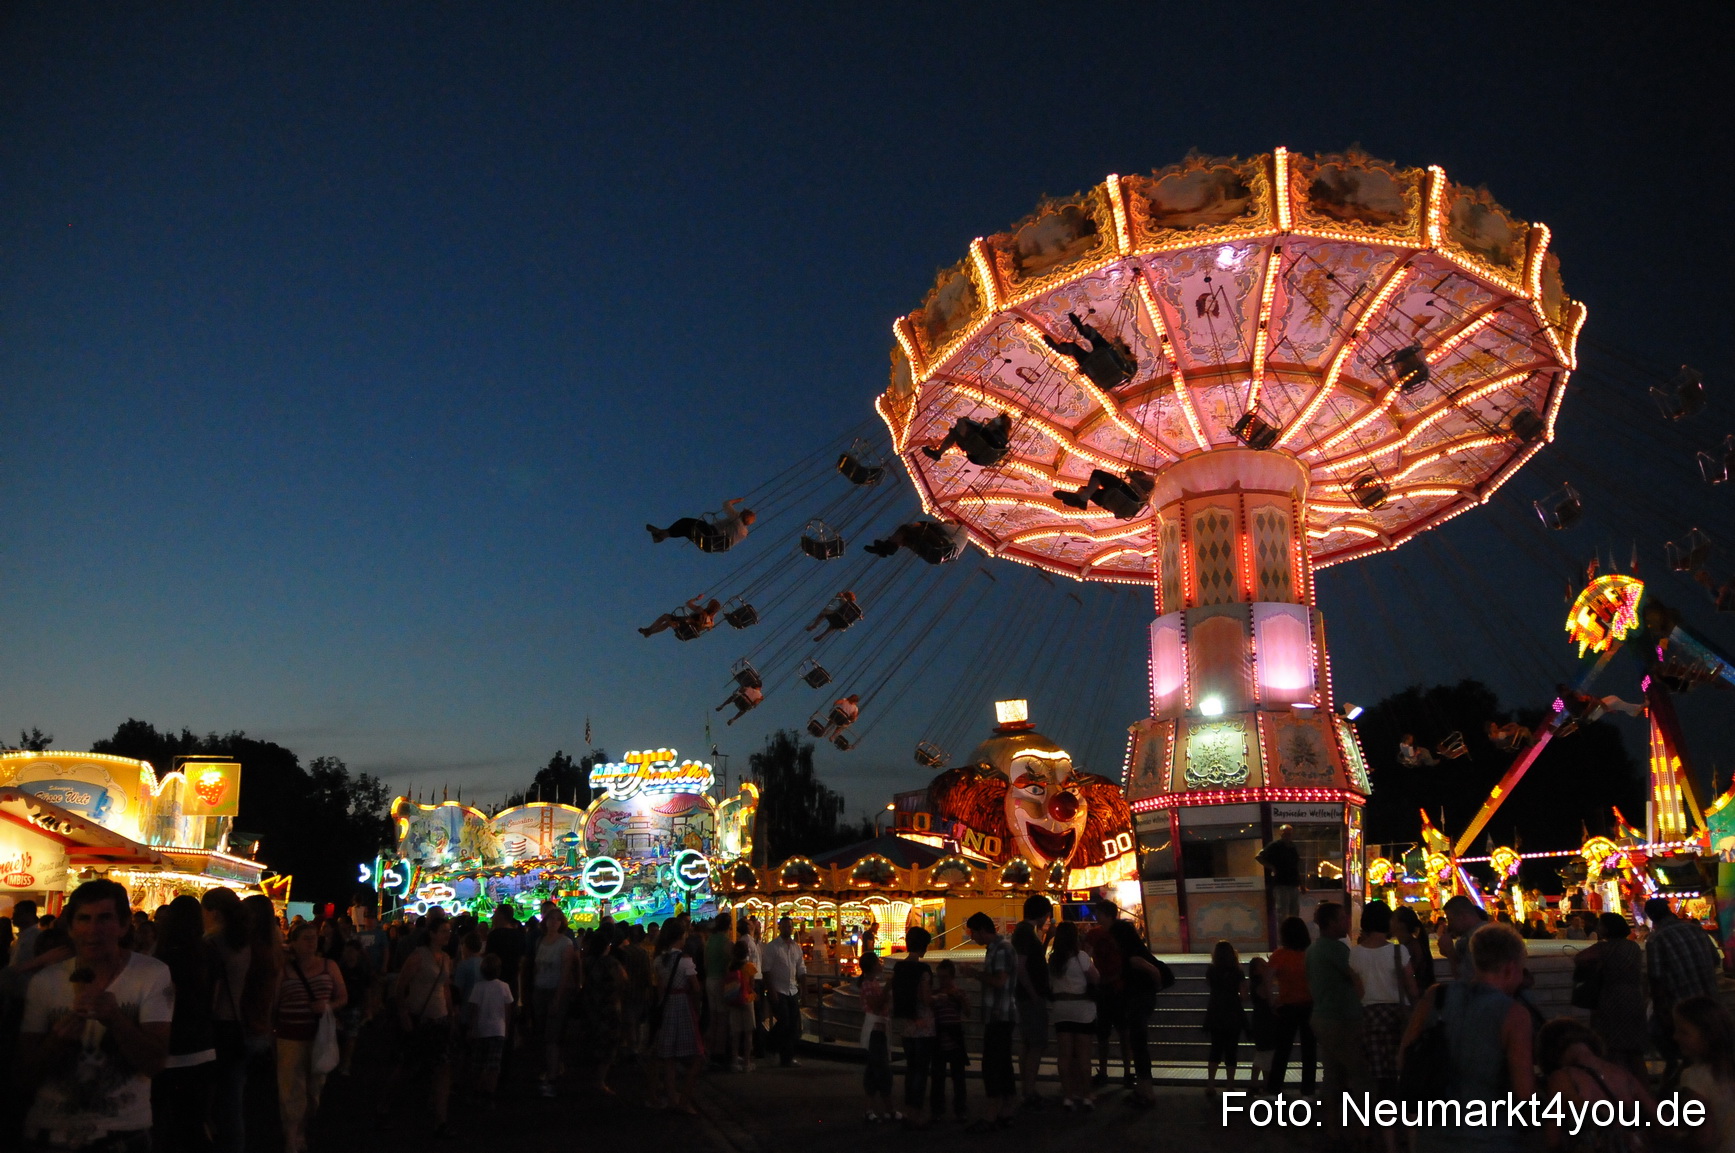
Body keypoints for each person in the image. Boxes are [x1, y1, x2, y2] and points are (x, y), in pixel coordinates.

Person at [17, 880, 172, 1152]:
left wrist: (115, 1019)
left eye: (105, 918)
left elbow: (155, 1063)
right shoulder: (46, 982)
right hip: (50, 1130)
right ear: (71, 927)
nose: (93, 930)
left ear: (124, 926)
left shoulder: (151, 974)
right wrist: (56, 1040)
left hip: (123, 1133)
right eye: (84, 919)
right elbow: (24, 1073)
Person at [1406, 923, 1536, 1153]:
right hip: (1491, 1135)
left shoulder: (1435, 997)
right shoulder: (1514, 1014)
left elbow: (1406, 1055)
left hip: (1434, 1132)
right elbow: (1523, 1090)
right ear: (1510, 968)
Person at [275, 921, 348, 1153]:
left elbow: (343, 997)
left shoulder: (329, 966)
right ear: (293, 943)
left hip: (319, 1037)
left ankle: (301, 1129)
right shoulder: (284, 971)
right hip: (289, 1037)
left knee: (314, 1089)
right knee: (291, 1089)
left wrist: (327, 1006)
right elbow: (274, 1005)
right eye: (305, 938)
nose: (311, 942)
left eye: (313, 937)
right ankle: (292, 1137)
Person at [151, 895, 215, 1153]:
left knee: (162, 1122)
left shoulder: (163, 959)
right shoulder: (209, 953)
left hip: (170, 1046)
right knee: (192, 1123)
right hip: (203, 1044)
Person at [1536, 1016, 1656, 1152]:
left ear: (1548, 1052)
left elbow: (1553, 1139)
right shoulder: (1623, 1074)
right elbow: (1662, 1120)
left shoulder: (1561, 1078)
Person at [1646, 896, 1722, 1081]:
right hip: (1709, 1000)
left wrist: (1661, 1010)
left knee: (1658, 1033)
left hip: (1682, 1004)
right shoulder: (1696, 930)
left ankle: (1676, 1069)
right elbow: (1715, 960)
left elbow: (1657, 979)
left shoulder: (1656, 939)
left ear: (1652, 917)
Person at [1348, 901, 1417, 1099]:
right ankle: (1404, 1118)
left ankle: (1383, 1120)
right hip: (1398, 1015)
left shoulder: (1354, 954)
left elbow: (1358, 991)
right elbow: (1411, 988)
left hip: (1370, 1016)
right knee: (1401, 1067)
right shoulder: (1398, 951)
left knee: (1379, 1074)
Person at [1306, 902, 1371, 1103]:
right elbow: (1357, 976)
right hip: (1342, 1018)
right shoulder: (1337, 950)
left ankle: (1333, 1126)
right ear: (1331, 923)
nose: (1347, 921)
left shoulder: (1313, 949)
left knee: (1333, 1074)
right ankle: (1362, 1126)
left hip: (1322, 1015)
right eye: (1342, 918)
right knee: (1360, 1073)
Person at [394, 917, 453, 1132]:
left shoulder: (446, 958)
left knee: (443, 1067)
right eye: (444, 931)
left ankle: (441, 1119)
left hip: (440, 1019)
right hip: (419, 1017)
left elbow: (445, 988)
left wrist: (450, 1015)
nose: (447, 935)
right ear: (432, 934)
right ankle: (389, 1105)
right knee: (409, 1065)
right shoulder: (418, 956)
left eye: (449, 931)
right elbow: (400, 986)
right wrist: (403, 1014)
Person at [1572, 911, 1648, 1078]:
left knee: (1612, 1047)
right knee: (1635, 1051)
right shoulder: (1633, 947)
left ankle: (1618, 1088)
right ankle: (1643, 1091)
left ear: (1607, 928)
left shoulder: (1603, 947)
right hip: (1634, 998)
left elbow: (1579, 958)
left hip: (1612, 998)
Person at [964, 911, 1017, 1130]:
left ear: (981, 930)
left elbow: (999, 980)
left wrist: (974, 974)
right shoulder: (996, 948)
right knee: (1001, 1062)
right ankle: (1006, 1108)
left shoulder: (1001, 949)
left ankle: (993, 1111)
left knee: (992, 1064)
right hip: (999, 1013)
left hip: (1000, 1013)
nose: (972, 937)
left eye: (973, 933)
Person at [652, 927, 705, 1115]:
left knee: (668, 1058)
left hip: (666, 1007)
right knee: (697, 1055)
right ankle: (683, 1100)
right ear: (679, 938)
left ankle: (671, 1097)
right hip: (683, 1005)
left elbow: (659, 989)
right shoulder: (685, 961)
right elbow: (696, 988)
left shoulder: (659, 960)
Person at [1047, 920, 1098, 1111]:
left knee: (1065, 1055)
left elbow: (1050, 983)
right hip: (1082, 1008)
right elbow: (1095, 978)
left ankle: (1068, 1095)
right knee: (1084, 1055)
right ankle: (1086, 1095)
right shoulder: (1082, 957)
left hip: (1061, 1009)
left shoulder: (1053, 960)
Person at [1673, 995, 1735, 1152]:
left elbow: (1703, 1136)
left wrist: (1677, 1139)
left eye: (1684, 1032)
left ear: (1708, 1035)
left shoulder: (1695, 1078)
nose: (1676, 1037)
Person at [891, 926, 936, 1128]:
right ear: (924, 946)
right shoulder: (922, 970)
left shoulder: (899, 968)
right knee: (920, 1071)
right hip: (923, 1025)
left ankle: (909, 1110)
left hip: (906, 1025)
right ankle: (916, 1113)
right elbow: (926, 999)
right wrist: (940, 998)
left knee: (911, 1070)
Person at [1011, 894, 1053, 1109]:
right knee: (1035, 1043)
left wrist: (1046, 940)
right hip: (1030, 996)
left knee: (1028, 1043)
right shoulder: (1025, 933)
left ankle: (1027, 1089)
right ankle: (1029, 1090)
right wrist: (1033, 992)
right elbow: (1021, 965)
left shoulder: (1025, 932)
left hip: (1026, 994)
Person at [1268, 915, 1316, 1095]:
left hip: (1287, 1006)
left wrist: (1273, 1001)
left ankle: (1274, 1089)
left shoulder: (1279, 955)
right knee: (1309, 1051)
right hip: (1309, 1005)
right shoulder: (1310, 953)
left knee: (1282, 1051)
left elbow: (1268, 979)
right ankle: (1308, 1091)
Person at [1083, 899, 1126, 1090]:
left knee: (1114, 1033)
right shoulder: (1097, 933)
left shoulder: (1098, 934)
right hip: (1112, 986)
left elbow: (1087, 954)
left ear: (1106, 914)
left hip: (1113, 986)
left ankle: (1112, 1071)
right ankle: (1116, 1071)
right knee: (1108, 1033)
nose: (1096, 917)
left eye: (1099, 913)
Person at [462, 953, 511, 1108]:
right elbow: (508, 1008)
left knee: (478, 1063)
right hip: (498, 1029)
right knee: (493, 1065)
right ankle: (489, 1095)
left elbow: (474, 1009)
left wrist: (472, 1028)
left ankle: (476, 1092)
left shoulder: (478, 987)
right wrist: (507, 1027)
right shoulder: (504, 986)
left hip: (481, 1030)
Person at [579, 930, 626, 1095]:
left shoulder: (587, 961)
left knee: (593, 1038)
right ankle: (600, 1080)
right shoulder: (611, 963)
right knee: (608, 1043)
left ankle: (590, 1076)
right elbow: (623, 980)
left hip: (591, 1004)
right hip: (609, 1006)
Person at [1042, 311, 1137, 390]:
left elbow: (1127, 358)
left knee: (1096, 338)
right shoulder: (1116, 381)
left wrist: (1119, 345)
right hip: (1090, 365)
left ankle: (1083, 330)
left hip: (1106, 356)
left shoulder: (1128, 368)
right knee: (1075, 350)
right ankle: (1062, 349)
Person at [761, 915, 807, 1068]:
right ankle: (770, 1045)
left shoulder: (796, 947)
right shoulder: (773, 947)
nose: (788, 929)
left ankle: (786, 1057)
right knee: (784, 1022)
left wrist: (804, 988)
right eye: (785, 926)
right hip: (778, 989)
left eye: (790, 926)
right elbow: (766, 970)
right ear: (780, 927)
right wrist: (771, 990)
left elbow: (801, 968)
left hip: (792, 989)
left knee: (793, 1024)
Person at [858, 951, 896, 1123]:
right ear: (873, 965)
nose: (881, 964)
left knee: (873, 1072)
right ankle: (889, 1110)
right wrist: (888, 988)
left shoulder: (871, 982)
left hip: (878, 1028)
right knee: (882, 1072)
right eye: (879, 962)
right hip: (876, 1030)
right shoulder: (868, 984)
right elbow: (875, 1005)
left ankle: (869, 1110)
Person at [929, 959, 969, 1123]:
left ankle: (960, 1109)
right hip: (940, 1035)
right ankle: (938, 1110)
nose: (942, 981)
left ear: (952, 977)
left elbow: (968, 1012)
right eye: (940, 977)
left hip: (954, 1034)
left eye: (945, 977)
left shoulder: (958, 993)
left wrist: (959, 998)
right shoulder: (935, 994)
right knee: (938, 1076)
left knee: (958, 1077)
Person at [1204, 939, 1246, 1089]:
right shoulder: (1238, 972)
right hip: (1233, 1011)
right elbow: (1243, 995)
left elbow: (1210, 985)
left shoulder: (1211, 970)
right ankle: (1230, 1084)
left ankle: (1210, 1084)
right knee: (1231, 1050)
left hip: (1215, 1010)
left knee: (1215, 1048)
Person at [647, 497, 756, 549]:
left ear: (742, 515)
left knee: (685, 521)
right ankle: (661, 536)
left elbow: (726, 504)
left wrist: (737, 501)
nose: (740, 511)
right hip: (711, 546)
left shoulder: (736, 520)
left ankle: (663, 534)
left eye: (742, 511)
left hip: (710, 534)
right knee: (687, 530)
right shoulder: (744, 533)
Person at [1053, 468, 1155, 519]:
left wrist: (1132, 475)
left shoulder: (1149, 482)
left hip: (1131, 500)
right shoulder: (1135, 486)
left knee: (1098, 474)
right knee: (1086, 489)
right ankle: (1080, 499)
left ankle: (1082, 499)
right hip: (1118, 501)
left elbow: (1147, 484)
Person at [921, 411, 1014, 467]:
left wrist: (974, 425)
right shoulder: (1003, 439)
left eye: (996, 420)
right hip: (976, 455)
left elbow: (984, 434)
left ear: (999, 423)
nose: (992, 421)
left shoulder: (993, 435)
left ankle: (938, 453)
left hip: (974, 447)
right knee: (955, 432)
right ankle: (938, 453)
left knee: (960, 424)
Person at [863, 519, 969, 563]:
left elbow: (942, 527)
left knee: (909, 528)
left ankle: (889, 547)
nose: (946, 522)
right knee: (908, 538)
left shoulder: (961, 529)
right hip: (937, 557)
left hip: (944, 548)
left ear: (956, 523)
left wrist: (921, 523)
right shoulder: (958, 537)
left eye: (950, 522)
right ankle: (885, 548)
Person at [1257, 824, 1303, 923]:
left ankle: (1293, 933)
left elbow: (1296, 866)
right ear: (1281, 834)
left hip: (1293, 883)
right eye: (1285, 833)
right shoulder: (1275, 846)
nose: (1287, 835)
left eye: (1289, 833)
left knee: (1294, 912)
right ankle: (1284, 935)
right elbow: (1259, 856)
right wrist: (1272, 867)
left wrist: (1301, 884)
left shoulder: (1292, 847)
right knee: (1283, 912)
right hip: (1281, 883)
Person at [1438, 893, 1491, 979]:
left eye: (1450, 919)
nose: (1450, 925)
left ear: (1463, 916)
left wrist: (1450, 951)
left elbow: (1466, 979)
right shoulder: (1481, 933)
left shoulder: (1479, 939)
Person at [724, 938, 757, 1072]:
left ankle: (734, 1061)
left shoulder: (730, 966)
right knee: (748, 1033)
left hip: (733, 1001)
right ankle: (747, 1062)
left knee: (736, 1033)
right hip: (747, 1000)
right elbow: (752, 985)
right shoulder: (750, 967)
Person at [1247, 955, 1278, 1093]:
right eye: (1263, 966)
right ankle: (1266, 1084)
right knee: (1267, 1053)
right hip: (1265, 1020)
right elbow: (1268, 998)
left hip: (1259, 1019)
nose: (1266, 967)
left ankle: (1255, 1083)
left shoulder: (1254, 983)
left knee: (1261, 1053)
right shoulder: (1261, 983)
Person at [1392, 905, 1436, 994]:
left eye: (1393, 919)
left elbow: (1408, 976)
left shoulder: (1411, 947)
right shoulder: (1412, 944)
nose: (1389, 922)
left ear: (1401, 924)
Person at [641, 596, 722, 639]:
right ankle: (649, 631)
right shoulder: (711, 622)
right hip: (687, 631)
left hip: (684, 624)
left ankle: (649, 630)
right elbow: (707, 626)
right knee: (667, 623)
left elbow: (688, 603)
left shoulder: (701, 611)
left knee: (666, 617)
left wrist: (697, 598)